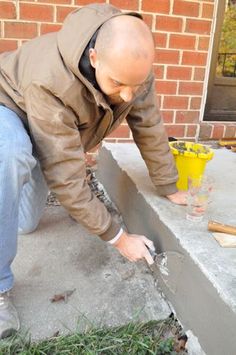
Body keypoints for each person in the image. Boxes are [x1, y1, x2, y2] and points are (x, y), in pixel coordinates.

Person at [0, 3, 187, 338]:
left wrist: (169, 184)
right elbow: (67, 174)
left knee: (26, 225)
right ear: (95, 57)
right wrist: (117, 237)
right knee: (9, 155)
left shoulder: (131, 69)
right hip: (8, 105)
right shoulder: (51, 80)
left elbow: (149, 125)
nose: (128, 95)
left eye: (136, 85)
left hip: (47, 123)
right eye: (118, 84)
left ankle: (21, 174)